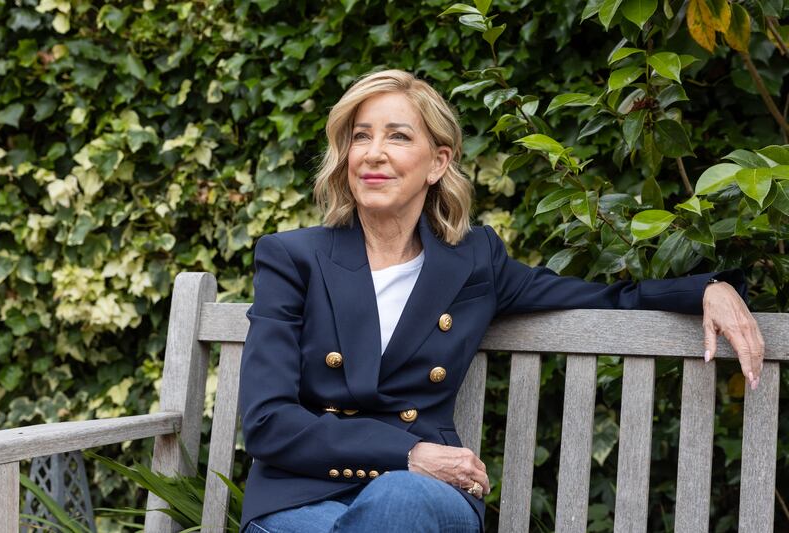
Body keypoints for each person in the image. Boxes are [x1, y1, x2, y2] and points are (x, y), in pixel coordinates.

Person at [238, 70, 764, 533]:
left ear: (438, 162)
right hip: (302, 496)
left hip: (428, 497)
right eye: (360, 138)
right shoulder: (293, 258)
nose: (373, 153)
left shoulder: (471, 263)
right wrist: (407, 454)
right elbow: (267, 422)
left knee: (398, 498)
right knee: (390, 498)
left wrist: (705, 289)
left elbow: (602, 296)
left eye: (398, 137)